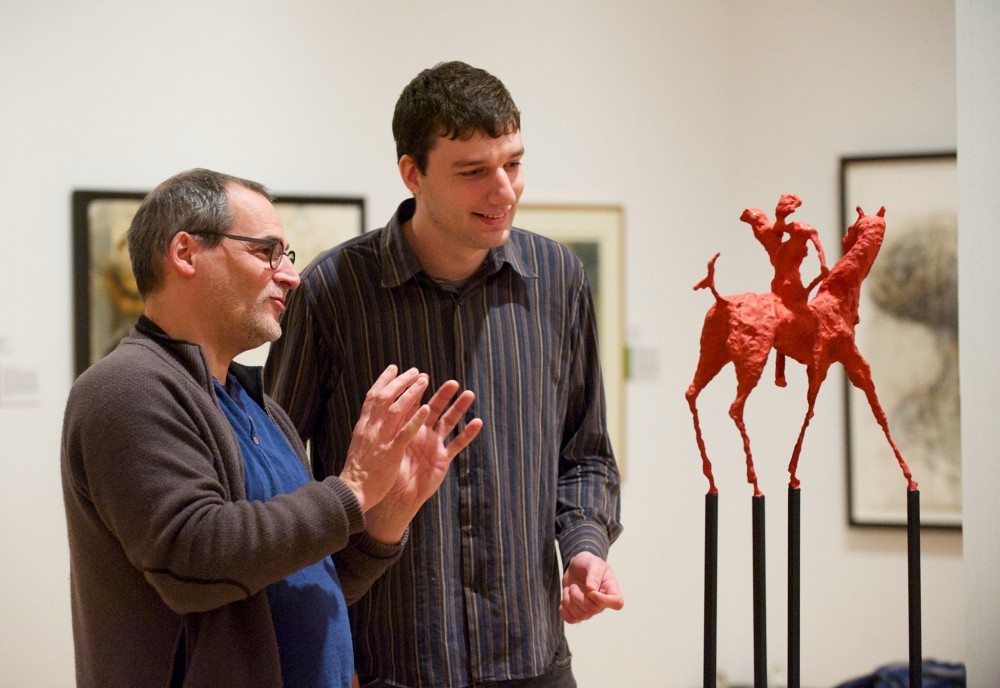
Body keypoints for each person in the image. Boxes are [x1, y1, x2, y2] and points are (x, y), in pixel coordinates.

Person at [265, 61, 624, 688]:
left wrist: (586, 548)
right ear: (412, 172)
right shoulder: (333, 291)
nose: (504, 190)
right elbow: (278, 478)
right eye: (473, 172)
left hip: (533, 663)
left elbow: (586, 454)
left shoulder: (558, 278)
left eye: (512, 163)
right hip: (385, 667)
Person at [60, 168, 482, 688]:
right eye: (266, 253)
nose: (290, 276)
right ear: (186, 253)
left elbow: (304, 579)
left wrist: (387, 515)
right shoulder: (126, 388)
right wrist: (350, 491)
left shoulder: (258, 405)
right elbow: (193, 559)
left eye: (287, 257)